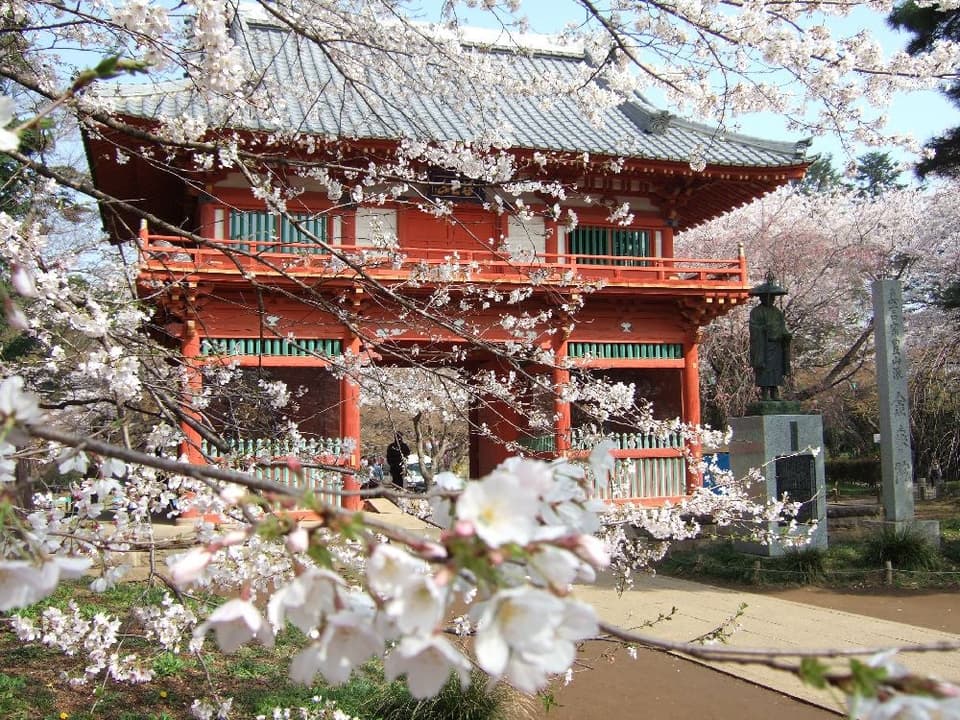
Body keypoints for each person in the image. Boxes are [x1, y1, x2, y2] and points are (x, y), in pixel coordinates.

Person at [749, 272, 791, 401]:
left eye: (773, 297)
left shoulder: (777, 312)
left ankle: (775, 392)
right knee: (765, 369)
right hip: (764, 344)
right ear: (762, 298)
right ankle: (765, 393)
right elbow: (753, 327)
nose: (771, 299)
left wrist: (785, 334)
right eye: (769, 297)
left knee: (776, 369)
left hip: (776, 344)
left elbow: (782, 326)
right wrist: (763, 328)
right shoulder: (756, 312)